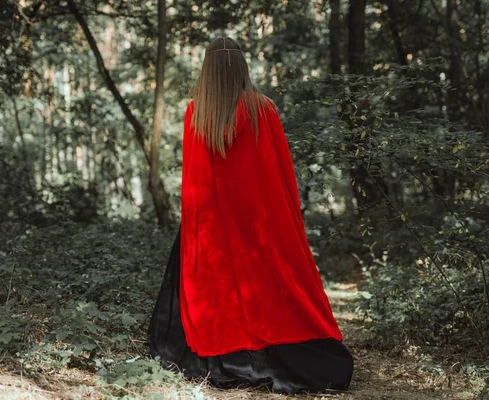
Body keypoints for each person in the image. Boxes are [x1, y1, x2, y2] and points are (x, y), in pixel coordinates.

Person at [148, 37, 353, 394]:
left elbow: (195, 181)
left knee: (220, 292)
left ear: (207, 69)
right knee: (268, 293)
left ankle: (228, 359)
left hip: (214, 228)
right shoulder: (264, 110)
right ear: (242, 67)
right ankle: (271, 358)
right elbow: (281, 177)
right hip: (260, 226)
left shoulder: (198, 112)